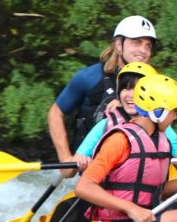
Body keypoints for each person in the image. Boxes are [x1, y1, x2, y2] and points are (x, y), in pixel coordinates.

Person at [73, 74, 177, 222]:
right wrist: (131, 208)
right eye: (174, 111)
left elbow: (156, 191)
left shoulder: (161, 140)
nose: (175, 117)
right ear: (158, 112)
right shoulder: (120, 140)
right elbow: (83, 187)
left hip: (151, 213)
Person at [47, 15, 157, 177]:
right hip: (92, 169)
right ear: (119, 45)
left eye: (148, 46)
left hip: (134, 169)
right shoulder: (88, 78)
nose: (143, 51)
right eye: (137, 42)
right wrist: (66, 158)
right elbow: (56, 112)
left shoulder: (154, 82)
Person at [72, 61, 177, 179]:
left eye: (137, 89)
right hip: (109, 195)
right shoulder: (105, 126)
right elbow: (67, 172)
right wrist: (80, 162)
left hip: (149, 197)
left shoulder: (165, 131)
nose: (130, 95)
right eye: (125, 88)